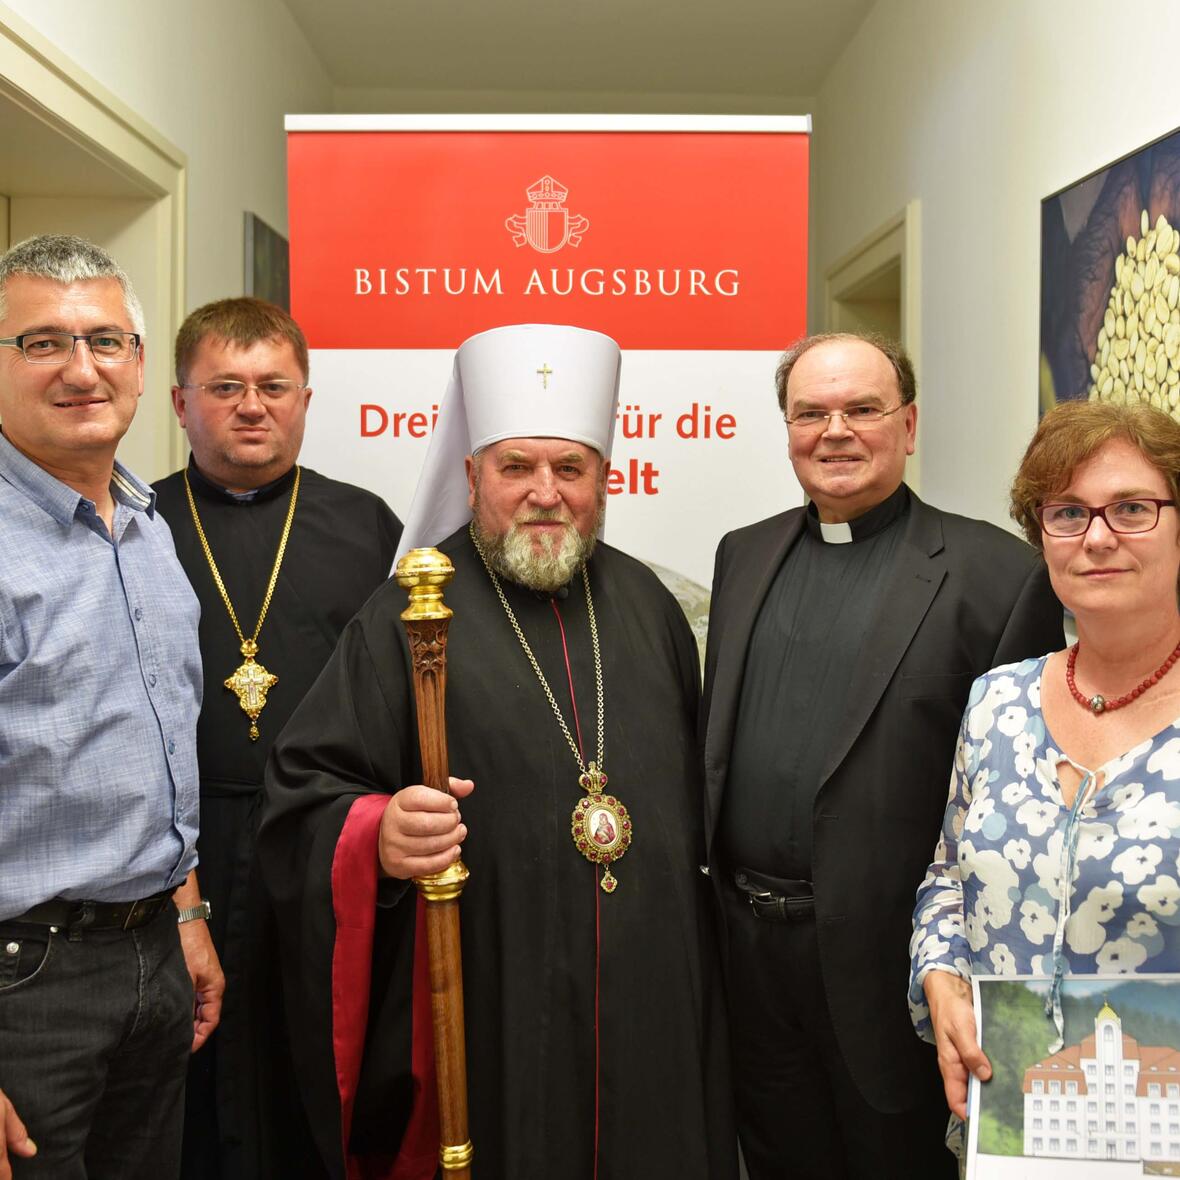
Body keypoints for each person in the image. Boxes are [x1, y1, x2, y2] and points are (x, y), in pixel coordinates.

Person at [260, 323, 735, 1180]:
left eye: (571, 469)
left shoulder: (650, 608)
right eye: (517, 467)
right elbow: (304, 792)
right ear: (474, 475)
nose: (545, 493)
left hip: (651, 997)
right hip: (494, 995)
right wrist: (380, 830)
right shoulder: (411, 614)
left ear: (604, 478)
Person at [700, 332, 1064, 1179]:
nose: (835, 431)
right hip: (748, 964)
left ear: (908, 423)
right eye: (811, 413)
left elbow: (1014, 807)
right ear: (786, 428)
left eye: (862, 409)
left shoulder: (998, 575)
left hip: (892, 973)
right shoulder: (742, 555)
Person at [152, 297, 403, 1180]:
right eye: (225, 386)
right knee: (189, 1070)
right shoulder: (136, 522)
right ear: (181, 404)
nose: (251, 405)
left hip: (323, 838)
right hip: (180, 851)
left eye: (272, 386)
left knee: (315, 1058)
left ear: (304, 398)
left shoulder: (367, 525)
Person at [0, 233, 214, 1177]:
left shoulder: (147, 528)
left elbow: (161, 747)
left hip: (152, 957)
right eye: (42, 342)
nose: (80, 369)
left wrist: (187, 913)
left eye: (106, 341)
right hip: (25, 984)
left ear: (137, 362)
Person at [911, 400, 1180, 1130]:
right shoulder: (997, 702)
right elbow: (947, 880)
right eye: (1066, 513)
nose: (1096, 538)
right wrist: (940, 981)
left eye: (1131, 508)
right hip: (1013, 1126)